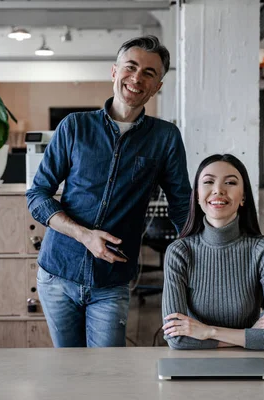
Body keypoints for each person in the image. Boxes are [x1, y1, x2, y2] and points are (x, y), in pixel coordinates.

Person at [26, 35, 191, 348]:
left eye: (149, 73)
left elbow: (183, 206)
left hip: (112, 281)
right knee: (70, 371)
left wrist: (205, 254)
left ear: (158, 86)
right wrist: (84, 235)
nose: (137, 78)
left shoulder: (165, 138)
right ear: (114, 72)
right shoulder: (74, 127)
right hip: (58, 274)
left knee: (108, 374)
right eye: (131, 67)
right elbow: (38, 196)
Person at [161, 154, 264, 350]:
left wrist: (208, 332)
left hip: (251, 367)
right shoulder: (179, 252)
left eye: (230, 182)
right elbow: (177, 340)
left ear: (243, 196)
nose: (218, 190)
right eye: (208, 182)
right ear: (197, 195)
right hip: (193, 368)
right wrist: (250, 336)